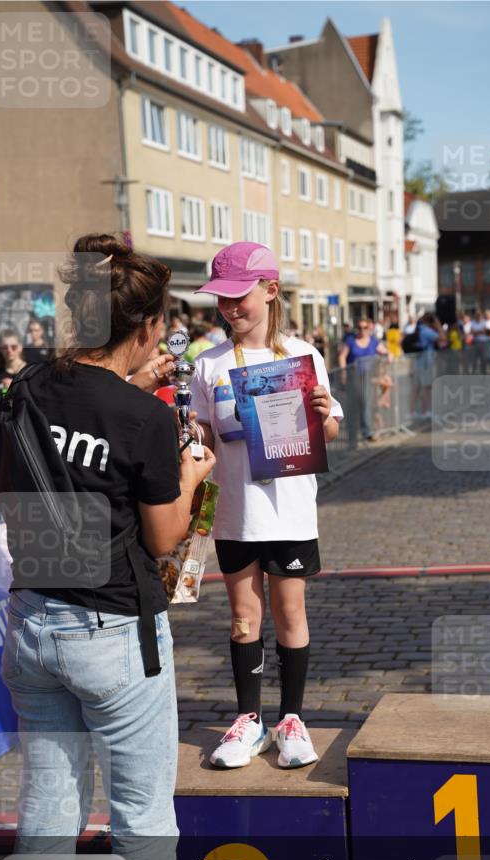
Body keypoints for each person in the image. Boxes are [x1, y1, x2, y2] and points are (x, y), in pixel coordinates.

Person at [0, 235, 215, 860]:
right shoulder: (143, 419)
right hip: (113, 632)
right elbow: (162, 536)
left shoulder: (20, 389)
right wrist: (187, 474)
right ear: (149, 326)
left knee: (50, 804)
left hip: (30, 619)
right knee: (143, 814)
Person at [190, 241, 342, 770]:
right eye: (222, 300)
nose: (230, 309)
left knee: (290, 612)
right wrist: (193, 430)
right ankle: (247, 721)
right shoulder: (207, 364)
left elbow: (330, 428)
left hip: (291, 510)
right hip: (236, 512)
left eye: (240, 297)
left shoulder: (304, 356)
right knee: (241, 618)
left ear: (270, 291)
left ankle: (292, 719)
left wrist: (324, 412)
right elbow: (205, 430)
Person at [338, 318, 389, 443]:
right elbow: (342, 356)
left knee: (366, 404)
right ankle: (353, 435)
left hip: (369, 378)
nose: (362, 330)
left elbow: (384, 352)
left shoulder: (373, 341)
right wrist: (343, 372)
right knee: (355, 406)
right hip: (354, 377)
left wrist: (389, 355)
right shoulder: (351, 341)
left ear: (369, 328)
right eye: (359, 328)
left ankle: (367, 432)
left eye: (364, 327)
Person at [0, 329, 27, 408]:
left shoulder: (31, 372)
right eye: (5, 347)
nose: (9, 350)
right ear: (0, 349)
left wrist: (14, 389)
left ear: (20, 347)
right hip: (3, 419)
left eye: (13, 347)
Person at [410, 312, 439, 417]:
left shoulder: (419, 329)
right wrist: (438, 325)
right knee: (426, 387)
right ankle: (425, 411)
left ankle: (414, 411)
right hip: (425, 363)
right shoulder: (426, 331)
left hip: (419, 362)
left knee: (418, 387)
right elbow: (442, 338)